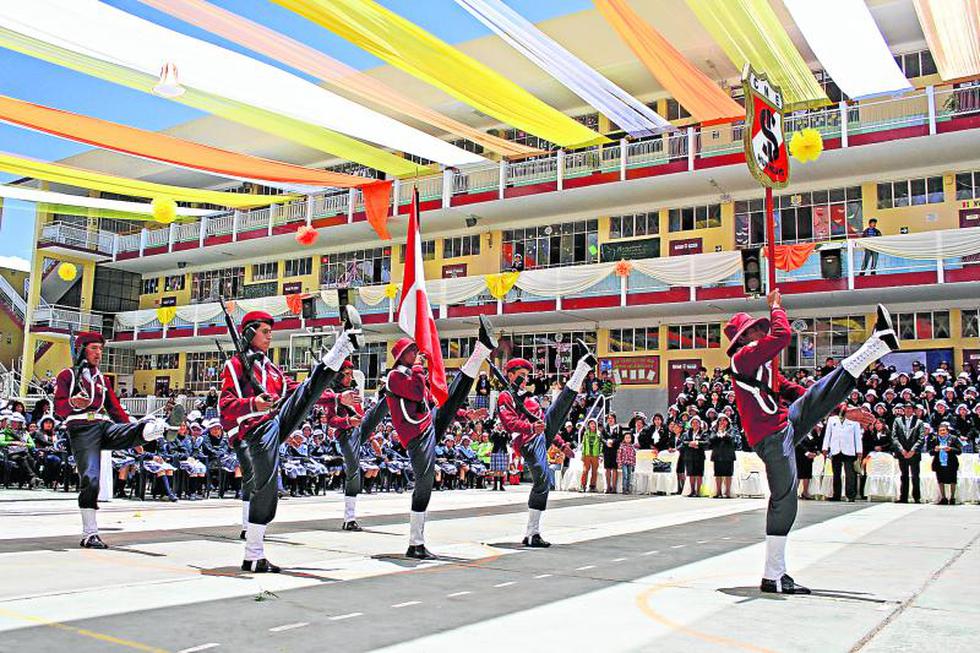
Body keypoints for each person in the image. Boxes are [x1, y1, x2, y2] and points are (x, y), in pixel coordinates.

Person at [726, 290, 898, 594]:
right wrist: (777, 307)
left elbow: (804, 394)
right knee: (785, 498)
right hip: (771, 437)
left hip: (784, 424)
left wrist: (844, 410)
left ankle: (876, 344)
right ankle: (773, 574)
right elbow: (782, 335)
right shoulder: (743, 359)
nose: (761, 330)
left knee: (820, 391)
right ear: (743, 338)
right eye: (754, 329)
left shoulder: (764, 367)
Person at [220, 306, 362, 573]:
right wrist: (253, 403)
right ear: (249, 333)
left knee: (309, 388)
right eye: (264, 332)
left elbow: (299, 391)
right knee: (267, 488)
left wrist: (335, 398)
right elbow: (225, 406)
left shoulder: (272, 369)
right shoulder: (235, 365)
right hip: (255, 430)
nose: (269, 337)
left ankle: (343, 345)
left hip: (274, 424)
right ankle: (253, 556)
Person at [385, 315, 496, 559]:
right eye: (411, 351)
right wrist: (419, 368)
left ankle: (480, 350)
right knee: (424, 484)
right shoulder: (394, 377)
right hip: (416, 434)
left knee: (453, 397)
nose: (416, 353)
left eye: (416, 349)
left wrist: (466, 413)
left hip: (427, 424)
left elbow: (432, 402)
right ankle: (415, 543)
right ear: (401, 355)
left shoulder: (414, 374)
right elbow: (415, 392)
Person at [53, 331, 169, 548]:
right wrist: (72, 402)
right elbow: (59, 407)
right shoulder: (67, 375)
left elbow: (115, 410)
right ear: (81, 350)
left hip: (102, 425)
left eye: (100, 349)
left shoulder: (102, 379)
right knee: (91, 478)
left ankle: (152, 430)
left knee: (132, 428)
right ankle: (90, 533)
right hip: (81, 428)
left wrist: (135, 439)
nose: (99, 353)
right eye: (94, 348)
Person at [497, 339, 596, 547]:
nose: (524, 379)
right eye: (520, 375)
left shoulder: (530, 398)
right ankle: (532, 533)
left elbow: (545, 423)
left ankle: (583, 366)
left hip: (539, 436)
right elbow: (509, 422)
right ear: (510, 375)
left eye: (526, 375)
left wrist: (560, 444)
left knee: (560, 409)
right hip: (526, 441)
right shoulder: (506, 396)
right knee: (542, 482)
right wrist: (531, 428)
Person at [320, 360, 390, 531]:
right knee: (354, 470)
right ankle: (349, 518)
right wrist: (348, 421)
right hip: (346, 433)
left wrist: (372, 438)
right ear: (339, 375)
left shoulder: (354, 393)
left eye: (352, 374)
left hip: (359, 429)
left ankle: (390, 392)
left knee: (379, 410)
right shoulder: (332, 394)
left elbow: (361, 415)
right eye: (348, 374)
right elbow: (331, 421)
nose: (350, 377)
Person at [822, 404, 863, 502]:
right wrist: (825, 447)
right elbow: (828, 434)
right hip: (835, 449)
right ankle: (837, 495)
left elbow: (857, 437)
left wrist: (859, 451)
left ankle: (850, 495)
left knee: (850, 474)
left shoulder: (854, 421)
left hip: (849, 450)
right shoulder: (832, 420)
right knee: (836, 474)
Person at [891, 403, 925, 503]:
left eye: (910, 408)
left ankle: (916, 497)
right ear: (903, 410)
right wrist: (901, 449)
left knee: (915, 476)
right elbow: (894, 437)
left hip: (914, 453)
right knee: (903, 475)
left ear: (913, 410)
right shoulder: (897, 421)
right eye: (906, 408)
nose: (908, 410)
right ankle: (903, 497)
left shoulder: (919, 422)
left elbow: (921, 439)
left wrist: (912, 450)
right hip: (902, 453)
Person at [928, 422, 962, 505]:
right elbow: (930, 452)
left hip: (951, 463)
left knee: (953, 480)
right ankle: (943, 498)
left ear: (947, 431)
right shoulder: (934, 439)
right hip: (938, 463)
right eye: (940, 430)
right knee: (940, 480)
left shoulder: (953, 438)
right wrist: (934, 450)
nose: (942, 432)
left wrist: (950, 449)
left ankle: (952, 498)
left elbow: (959, 451)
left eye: (944, 430)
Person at [709, 414, 739, 499]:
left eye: (724, 420)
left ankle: (727, 492)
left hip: (728, 455)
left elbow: (733, 440)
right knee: (718, 474)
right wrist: (718, 433)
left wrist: (724, 434)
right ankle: (718, 492)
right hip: (717, 455)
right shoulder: (714, 430)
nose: (722, 422)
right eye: (720, 420)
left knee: (728, 474)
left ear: (727, 422)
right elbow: (710, 440)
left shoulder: (732, 430)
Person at [579, 418, 602, 493]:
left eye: (594, 423)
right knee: (585, 471)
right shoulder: (586, 433)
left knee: (594, 471)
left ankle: (592, 486)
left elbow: (600, 444)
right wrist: (583, 454)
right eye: (591, 423)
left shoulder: (598, 434)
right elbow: (584, 444)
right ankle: (582, 485)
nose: (593, 425)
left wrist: (601, 454)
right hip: (587, 454)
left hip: (595, 455)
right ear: (588, 425)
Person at [602, 413, 622, 494]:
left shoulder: (618, 427)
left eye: (612, 418)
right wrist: (606, 442)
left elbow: (620, 438)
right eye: (609, 418)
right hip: (607, 450)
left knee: (614, 468)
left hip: (615, 449)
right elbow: (601, 438)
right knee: (607, 469)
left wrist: (613, 441)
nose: (610, 420)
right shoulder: (605, 428)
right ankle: (607, 487)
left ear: (614, 419)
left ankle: (614, 487)